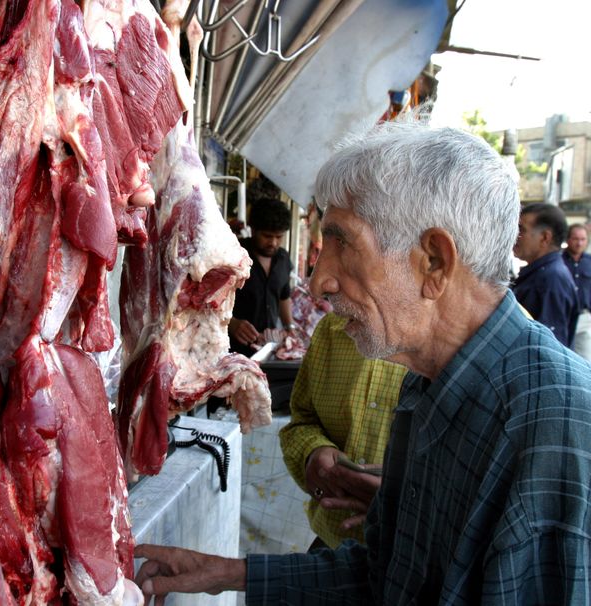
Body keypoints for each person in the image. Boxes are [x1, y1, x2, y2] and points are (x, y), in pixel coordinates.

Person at [134, 122, 591, 604]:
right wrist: (227, 573)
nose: (317, 282)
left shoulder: (555, 424)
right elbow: (391, 576)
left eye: (342, 242)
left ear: (433, 261)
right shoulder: (426, 386)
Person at [279, 312, 406, 549]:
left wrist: (405, 502)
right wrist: (313, 452)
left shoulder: (456, 340)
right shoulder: (332, 328)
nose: (318, 286)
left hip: (414, 558)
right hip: (332, 541)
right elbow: (302, 420)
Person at [229, 198, 294, 357]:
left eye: (279, 237)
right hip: (232, 351)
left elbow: (283, 297)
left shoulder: (283, 259)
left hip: (267, 350)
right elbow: (208, 300)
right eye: (267, 236)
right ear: (253, 229)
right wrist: (231, 323)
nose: (273, 243)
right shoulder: (232, 255)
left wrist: (289, 327)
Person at [512, 202, 579, 347]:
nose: (515, 235)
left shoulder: (551, 279)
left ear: (545, 238)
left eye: (521, 229)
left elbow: (550, 347)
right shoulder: (542, 274)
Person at [563, 223, 591, 360]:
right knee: (565, 356)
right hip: (563, 317)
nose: (579, 243)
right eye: (575, 239)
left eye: (583, 239)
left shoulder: (590, 262)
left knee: (585, 359)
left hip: (584, 318)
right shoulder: (558, 261)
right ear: (567, 239)